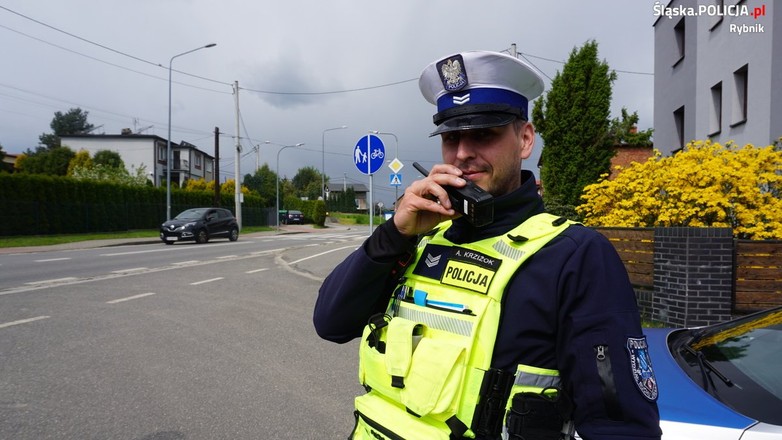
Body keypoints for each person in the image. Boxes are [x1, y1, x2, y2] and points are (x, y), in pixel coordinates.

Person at [314, 50, 661, 440]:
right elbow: (331, 323)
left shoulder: (575, 256)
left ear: (525, 139)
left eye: (484, 134)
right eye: (451, 137)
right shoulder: (421, 239)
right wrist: (396, 232)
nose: (463, 153)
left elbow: (620, 424)